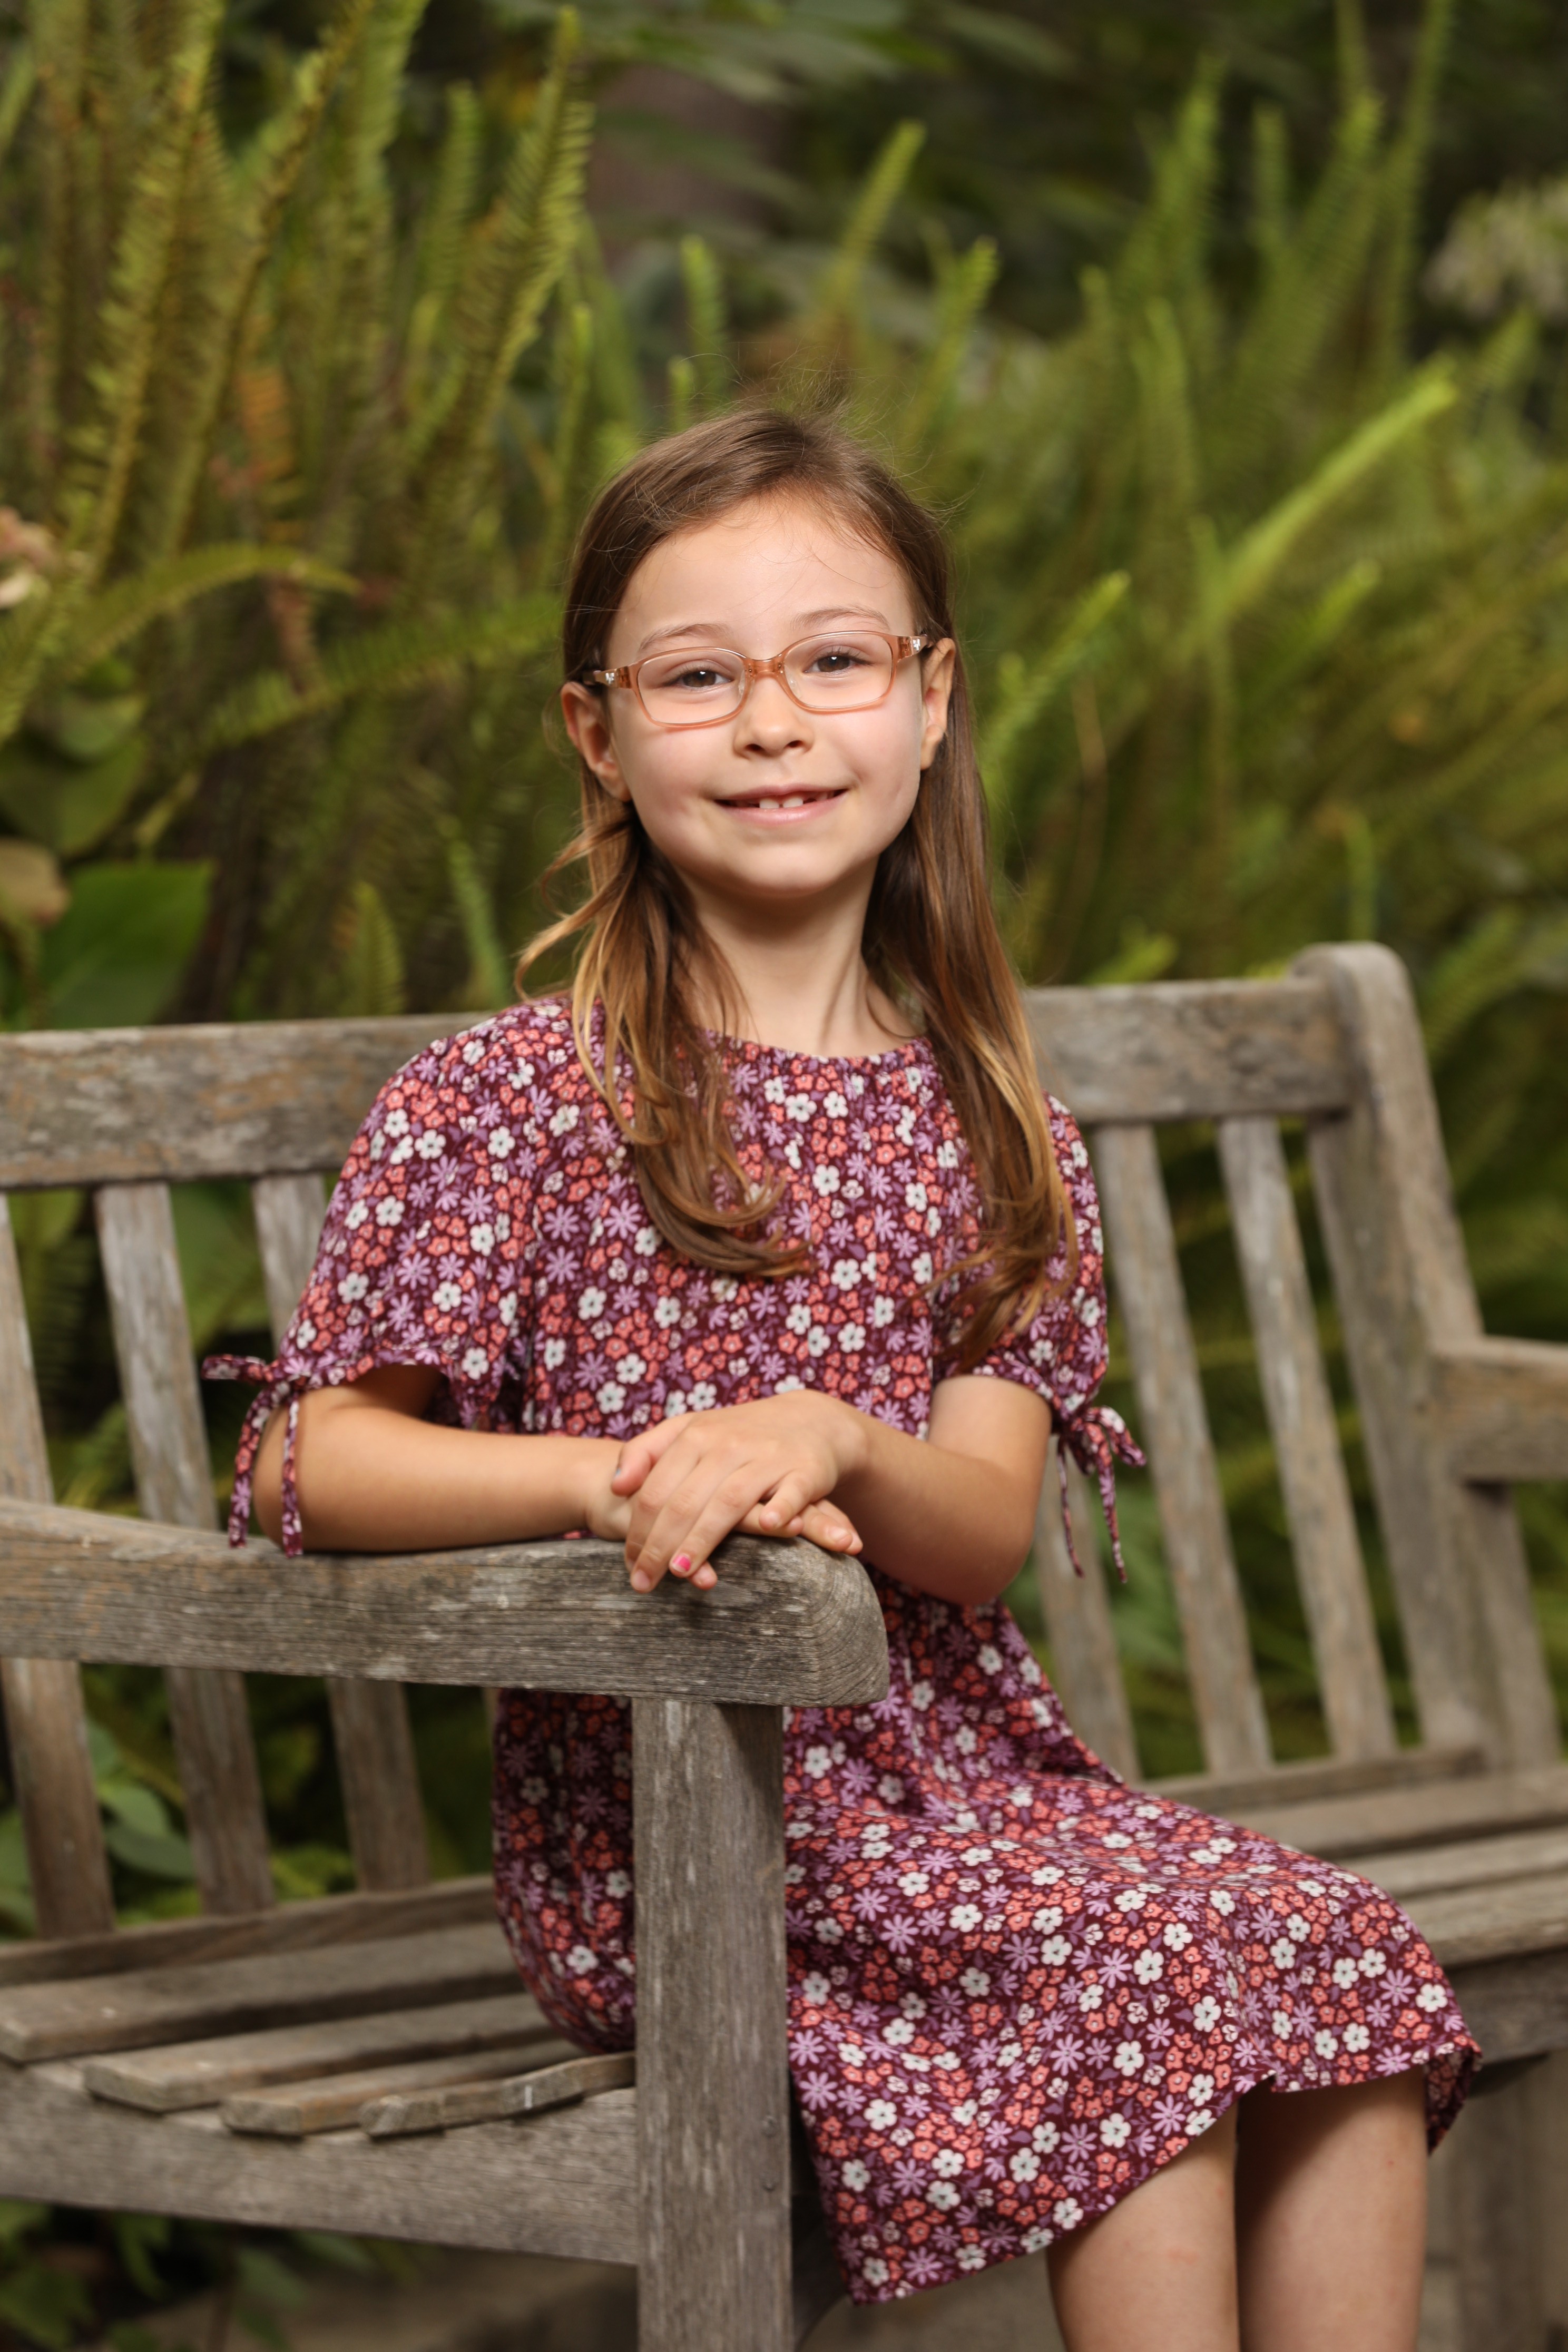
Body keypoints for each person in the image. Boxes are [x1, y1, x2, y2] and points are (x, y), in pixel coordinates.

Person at [209, 409, 1474, 2350]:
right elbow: (311, 1464)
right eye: (697, 678)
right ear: (596, 732)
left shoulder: (998, 1130)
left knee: (1336, 1955)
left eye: (832, 660)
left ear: (931, 700)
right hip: (686, 1831)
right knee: (1152, 1973)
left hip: (971, 1803)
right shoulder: (517, 1100)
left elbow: (974, 1537)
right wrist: (611, 1477)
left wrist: (833, 1443)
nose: (773, 724)